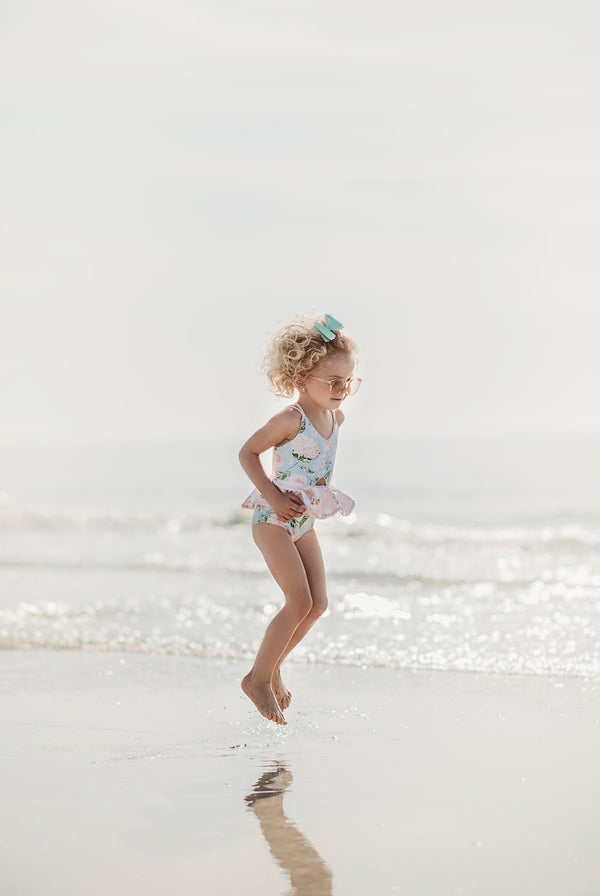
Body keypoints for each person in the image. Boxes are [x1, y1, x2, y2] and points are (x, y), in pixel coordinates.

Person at [239, 312, 360, 725]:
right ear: (301, 376)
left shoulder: (335, 419)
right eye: (332, 381)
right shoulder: (291, 419)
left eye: (348, 380)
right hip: (271, 520)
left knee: (318, 603)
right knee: (299, 601)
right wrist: (271, 495)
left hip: (302, 521)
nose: (342, 389)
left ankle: (271, 670)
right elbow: (248, 452)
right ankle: (257, 678)